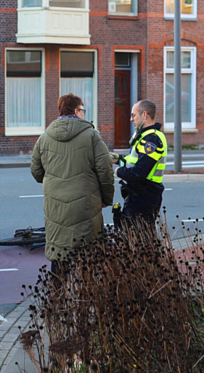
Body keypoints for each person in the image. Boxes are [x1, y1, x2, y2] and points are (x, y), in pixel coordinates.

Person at [31, 94, 114, 279]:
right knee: (88, 253)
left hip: (55, 206)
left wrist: (53, 182)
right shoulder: (92, 136)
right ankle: (86, 298)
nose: (84, 113)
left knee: (58, 253)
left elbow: (36, 171)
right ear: (76, 111)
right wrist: (106, 198)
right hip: (86, 204)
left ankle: (58, 299)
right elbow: (105, 170)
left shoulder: (44, 137)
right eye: (83, 110)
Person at [113, 100, 167, 229]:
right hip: (140, 194)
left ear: (144, 115)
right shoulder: (145, 136)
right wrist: (117, 159)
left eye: (134, 115)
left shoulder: (152, 139)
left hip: (145, 195)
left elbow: (139, 172)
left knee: (138, 237)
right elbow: (134, 162)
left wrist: (118, 171)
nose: (131, 119)